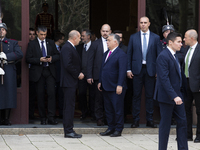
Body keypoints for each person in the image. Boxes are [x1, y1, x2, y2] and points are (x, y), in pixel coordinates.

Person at [154, 32, 188, 150]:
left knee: (183, 123)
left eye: (181, 42)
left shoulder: (175, 55)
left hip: (178, 95)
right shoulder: (163, 56)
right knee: (165, 125)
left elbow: (179, 76)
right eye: (178, 42)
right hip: (167, 97)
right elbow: (164, 79)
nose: (181, 44)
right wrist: (174, 96)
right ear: (170, 42)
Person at [127, 16, 162, 128]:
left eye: (145, 22)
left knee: (149, 96)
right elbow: (129, 54)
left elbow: (159, 56)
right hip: (137, 70)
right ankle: (136, 120)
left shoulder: (155, 38)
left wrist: (158, 70)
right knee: (136, 96)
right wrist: (128, 69)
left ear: (149, 24)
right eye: (141, 22)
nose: (143, 24)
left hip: (150, 70)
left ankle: (150, 120)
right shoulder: (133, 37)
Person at [26, 25, 59, 125]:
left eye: (45, 34)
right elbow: (28, 58)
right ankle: (42, 118)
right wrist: (39, 60)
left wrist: (51, 58)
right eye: (41, 34)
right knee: (40, 95)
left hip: (49, 71)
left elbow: (58, 55)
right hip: (38, 72)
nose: (43, 36)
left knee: (51, 94)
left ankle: (51, 117)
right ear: (37, 33)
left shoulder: (51, 42)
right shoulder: (32, 44)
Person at [98, 34, 127, 137]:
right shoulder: (106, 53)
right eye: (106, 41)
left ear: (115, 42)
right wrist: (100, 81)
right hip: (106, 86)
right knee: (109, 109)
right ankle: (111, 128)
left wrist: (120, 85)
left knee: (117, 109)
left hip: (116, 87)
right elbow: (103, 69)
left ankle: (118, 129)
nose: (107, 42)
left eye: (109, 40)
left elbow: (122, 71)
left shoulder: (121, 54)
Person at [60, 30, 84, 138]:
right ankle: (68, 131)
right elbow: (68, 64)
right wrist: (78, 74)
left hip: (71, 82)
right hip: (68, 82)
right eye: (79, 38)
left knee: (70, 105)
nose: (80, 40)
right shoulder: (67, 48)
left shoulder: (70, 47)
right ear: (75, 38)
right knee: (69, 106)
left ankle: (70, 129)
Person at [87, 24, 112, 126]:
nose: (105, 33)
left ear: (110, 31)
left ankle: (108, 118)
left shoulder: (113, 43)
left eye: (107, 31)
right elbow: (90, 60)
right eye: (103, 31)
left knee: (109, 98)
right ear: (100, 31)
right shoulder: (95, 44)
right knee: (98, 98)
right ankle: (99, 118)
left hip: (110, 76)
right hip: (98, 75)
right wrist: (89, 75)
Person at [0, 22, 23, 125]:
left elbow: (19, 54)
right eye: (0, 29)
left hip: (8, 69)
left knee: (8, 94)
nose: (1, 31)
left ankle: (6, 118)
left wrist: (6, 56)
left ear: (6, 31)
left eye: (3, 29)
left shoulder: (12, 43)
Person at [183, 29, 200, 143]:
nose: (184, 39)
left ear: (192, 38)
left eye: (185, 37)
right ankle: (188, 134)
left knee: (199, 111)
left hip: (197, 86)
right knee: (186, 110)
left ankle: (199, 135)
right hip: (186, 84)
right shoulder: (186, 50)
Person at [76, 29, 95, 120]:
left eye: (83, 36)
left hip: (92, 75)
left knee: (93, 95)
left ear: (88, 36)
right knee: (82, 94)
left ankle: (92, 112)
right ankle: (84, 112)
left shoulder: (95, 46)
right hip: (82, 75)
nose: (81, 38)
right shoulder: (79, 47)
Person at [113, 30, 132, 121]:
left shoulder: (125, 49)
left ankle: (122, 117)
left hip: (122, 78)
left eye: (120, 37)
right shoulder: (109, 49)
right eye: (117, 37)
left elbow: (128, 62)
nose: (119, 39)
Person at [54, 32, 65, 119]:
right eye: (62, 39)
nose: (63, 41)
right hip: (53, 75)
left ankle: (61, 113)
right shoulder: (50, 47)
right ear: (59, 39)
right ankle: (53, 113)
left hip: (61, 76)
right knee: (53, 96)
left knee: (61, 96)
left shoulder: (62, 48)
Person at [28, 27, 37, 120]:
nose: (32, 36)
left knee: (32, 95)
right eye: (30, 34)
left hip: (33, 74)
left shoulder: (36, 45)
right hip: (23, 74)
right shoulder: (23, 45)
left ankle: (31, 114)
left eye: (33, 34)